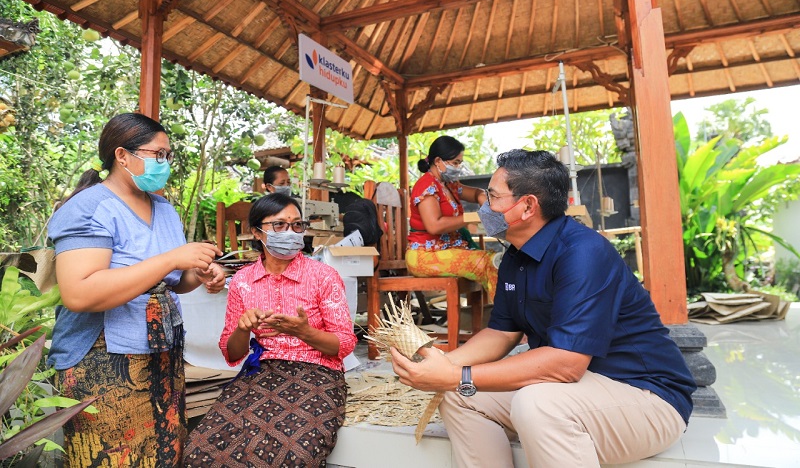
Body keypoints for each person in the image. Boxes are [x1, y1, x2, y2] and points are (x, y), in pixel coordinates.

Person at [391, 149, 697, 468]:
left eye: (493, 197)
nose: (484, 206)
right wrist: (442, 364)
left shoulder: (582, 253)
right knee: (458, 396)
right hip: (579, 389)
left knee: (536, 402)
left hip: (645, 397)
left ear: (527, 206)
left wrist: (459, 374)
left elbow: (566, 364)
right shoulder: (515, 255)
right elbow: (501, 332)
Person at [47, 113, 226, 467]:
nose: (164, 163)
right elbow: (80, 294)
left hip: (161, 358)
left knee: (164, 453)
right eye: (157, 154)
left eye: (168, 156)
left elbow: (174, 280)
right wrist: (172, 258)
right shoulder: (88, 209)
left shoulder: (163, 209)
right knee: (114, 457)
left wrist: (200, 273)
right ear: (122, 156)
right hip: (101, 363)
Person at [184, 193, 357, 466]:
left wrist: (304, 332)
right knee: (200, 453)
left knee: (291, 455)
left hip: (317, 374)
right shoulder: (243, 280)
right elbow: (232, 354)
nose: (290, 232)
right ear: (257, 232)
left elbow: (344, 344)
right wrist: (243, 329)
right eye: (279, 225)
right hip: (261, 373)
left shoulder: (323, 276)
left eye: (297, 225)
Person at [407, 135, 498, 301]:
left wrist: (485, 203)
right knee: (489, 262)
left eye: (459, 163)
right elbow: (434, 226)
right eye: (455, 162)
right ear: (438, 161)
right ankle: (504, 321)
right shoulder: (426, 186)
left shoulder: (449, 185)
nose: (458, 167)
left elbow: (476, 193)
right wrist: (472, 217)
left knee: (494, 261)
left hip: (445, 250)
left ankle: (499, 317)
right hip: (424, 256)